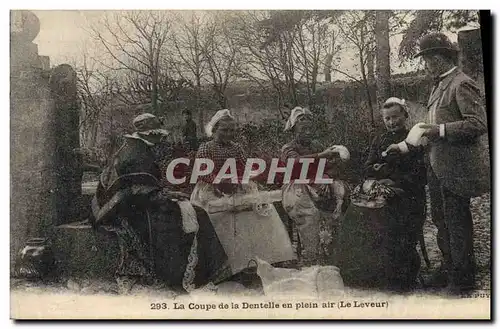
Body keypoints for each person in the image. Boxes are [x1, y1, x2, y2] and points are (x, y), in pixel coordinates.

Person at [388, 32, 490, 294]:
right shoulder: (439, 85)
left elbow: (478, 123)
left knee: (457, 222)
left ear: (445, 57)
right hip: (437, 165)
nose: (428, 64)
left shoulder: (461, 83)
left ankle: (463, 278)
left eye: (432, 58)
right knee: (441, 220)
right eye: (426, 59)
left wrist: (440, 131)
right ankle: (449, 268)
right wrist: (409, 143)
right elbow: (431, 125)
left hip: (457, 168)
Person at [91, 113, 230, 294]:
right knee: (194, 215)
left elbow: (139, 187)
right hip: (126, 211)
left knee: (187, 211)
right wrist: (167, 198)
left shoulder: (129, 146)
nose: (161, 138)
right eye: (158, 134)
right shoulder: (138, 155)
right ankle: (191, 274)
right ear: (149, 134)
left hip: (110, 206)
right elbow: (141, 192)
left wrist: (164, 193)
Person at [190, 109, 296, 282]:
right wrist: (219, 181)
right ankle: (227, 264)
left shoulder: (236, 147)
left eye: (232, 130)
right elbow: (203, 173)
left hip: (235, 186)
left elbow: (244, 168)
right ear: (214, 130)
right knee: (223, 215)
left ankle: (260, 258)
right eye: (224, 130)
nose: (229, 134)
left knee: (259, 210)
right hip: (210, 190)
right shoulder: (206, 148)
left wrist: (239, 180)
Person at [280, 107, 350, 265]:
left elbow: (328, 167)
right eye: (303, 129)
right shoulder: (288, 148)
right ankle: (311, 257)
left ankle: (332, 255)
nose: (307, 132)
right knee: (308, 211)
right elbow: (295, 164)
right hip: (296, 186)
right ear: (293, 129)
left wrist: (330, 170)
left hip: (318, 184)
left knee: (341, 193)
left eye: (310, 129)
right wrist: (321, 156)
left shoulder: (316, 145)